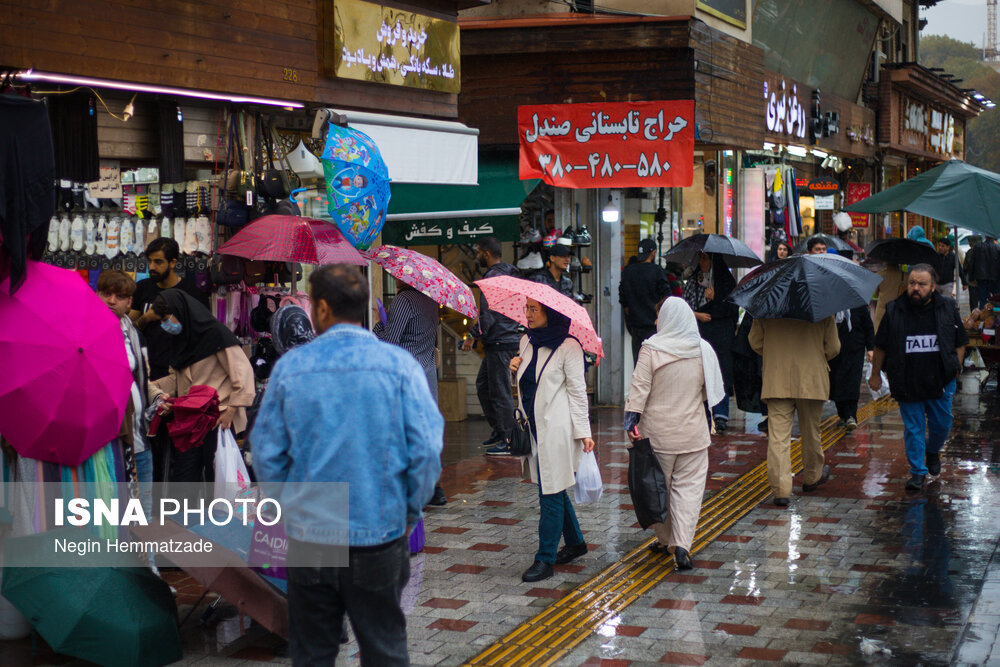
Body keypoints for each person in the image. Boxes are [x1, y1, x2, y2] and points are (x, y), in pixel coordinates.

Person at [251, 264, 443, 665]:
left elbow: (267, 454)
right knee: (385, 649)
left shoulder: (291, 368)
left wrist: (288, 509)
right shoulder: (400, 367)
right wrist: (409, 511)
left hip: (311, 536)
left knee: (313, 652)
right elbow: (426, 449)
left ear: (320, 308)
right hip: (381, 533)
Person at [623, 298, 724, 569]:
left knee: (659, 491)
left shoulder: (651, 349)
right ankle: (682, 546)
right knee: (688, 493)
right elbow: (709, 392)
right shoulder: (703, 349)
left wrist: (631, 425)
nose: (656, 322)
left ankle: (667, 540)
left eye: (660, 317)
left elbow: (639, 389)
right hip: (693, 435)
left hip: (657, 436)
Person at [509, 298, 594, 583]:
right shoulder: (526, 340)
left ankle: (544, 559)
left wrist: (585, 433)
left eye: (534, 309)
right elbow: (526, 384)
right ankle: (576, 542)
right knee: (552, 486)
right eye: (527, 308)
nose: (528, 314)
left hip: (557, 430)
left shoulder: (569, 347)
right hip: (532, 427)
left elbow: (578, 392)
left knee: (549, 491)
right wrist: (514, 371)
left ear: (550, 312)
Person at [869, 264, 968, 491]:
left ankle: (932, 451)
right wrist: (875, 374)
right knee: (913, 428)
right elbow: (881, 345)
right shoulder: (895, 309)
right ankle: (917, 472)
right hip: (906, 379)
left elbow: (960, 341)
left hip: (940, 380)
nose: (916, 288)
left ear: (933, 286)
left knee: (942, 425)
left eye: (921, 284)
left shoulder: (947, 307)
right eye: (912, 283)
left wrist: (955, 367)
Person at [149, 289, 255, 489]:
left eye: (166, 318)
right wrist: (152, 387)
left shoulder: (216, 335)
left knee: (217, 477)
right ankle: (186, 518)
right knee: (185, 475)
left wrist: (231, 410)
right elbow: (179, 379)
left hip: (219, 417)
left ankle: (219, 518)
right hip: (191, 419)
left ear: (180, 312)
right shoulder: (182, 342)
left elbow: (242, 372)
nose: (165, 324)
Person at [96, 270, 166, 558]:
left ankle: (147, 575)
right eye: (106, 293)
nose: (112, 300)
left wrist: (157, 395)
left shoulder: (132, 332)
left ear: (129, 302)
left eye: (120, 296)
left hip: (138, 438)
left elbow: (141, 376)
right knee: (110, 514)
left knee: (143, 515)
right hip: (108, 443)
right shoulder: (89, 329)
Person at [749, 313, 840, 506]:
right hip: (811, 377)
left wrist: (775, 353)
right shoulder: (821, 306)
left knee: (778, 436)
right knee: (811, 431)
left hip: (777, 376)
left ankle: (781, 489)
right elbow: (833, 348)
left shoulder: (768, 307)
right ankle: (812, 476)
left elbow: (755, 342)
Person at [462, 237, 522, 453]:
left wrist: (472, 335)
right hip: (501, 339)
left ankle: (508, 440)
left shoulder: (494, 279)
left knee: (499, 392)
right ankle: (499, 430)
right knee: (484, 386)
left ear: (486, 253)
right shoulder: (508, 275)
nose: (477, 255)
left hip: (500, 340)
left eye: (478, 251)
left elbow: (489, 314)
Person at [129, 237, 209, 381]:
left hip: (179, 373)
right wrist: (147, 318)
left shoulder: (192, 294)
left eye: (158, 262)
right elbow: (129, 329)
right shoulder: (142, 288)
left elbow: (202, 337)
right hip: (146, 370)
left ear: (172, 263)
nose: (152, 267)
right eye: (150, 261)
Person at [683, 252, 737, 433]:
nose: (702, 262)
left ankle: (721, 416)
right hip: (700, 332)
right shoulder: (693, 280)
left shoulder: (726, 281)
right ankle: (702, 414)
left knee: (719, 373)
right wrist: (696, 314)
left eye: (706, 258)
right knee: (701, 373)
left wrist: (716, 298)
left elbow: (732, 308)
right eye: (700, 258)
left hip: (721, 336)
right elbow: (684, 306)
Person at [619, 238, 679, 365]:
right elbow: (667, 297)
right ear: (653, 253)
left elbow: (624, 302)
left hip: (635, 329)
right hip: (654, 328)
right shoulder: (657, 271)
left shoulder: (627, 272)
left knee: (639, 365)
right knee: (655, 366)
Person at [828, 305, 875, 430]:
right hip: (835, 353)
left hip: (855, 351)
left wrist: (870, 348)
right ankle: (843, 415)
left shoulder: (858, 306)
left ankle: (851, 415)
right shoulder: (831, 308)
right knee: (837, 383)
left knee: (852, 382)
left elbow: (868, 327)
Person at [965, 236, 1000, 308]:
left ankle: (984, 316)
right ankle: (996, 316)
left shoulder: (977, 247)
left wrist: (971, 278)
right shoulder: (997, 247)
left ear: (985, 237)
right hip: (995, 278)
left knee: (983, 300)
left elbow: (972, 263)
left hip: (981, 278)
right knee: (997, 299)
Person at [874, 262, 906, 332]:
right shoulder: (905, 276)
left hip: (882, 311)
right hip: (899, 311)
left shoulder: (879, 275)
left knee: (880, 334)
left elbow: (875, 293)